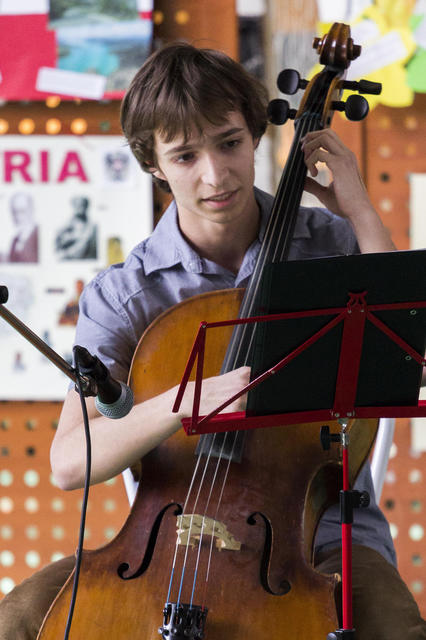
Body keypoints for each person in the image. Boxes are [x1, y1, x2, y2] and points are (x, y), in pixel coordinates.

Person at [1, 43, 425, 640]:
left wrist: (359, 210)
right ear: (153, 163)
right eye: (185, 155)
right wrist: (184, 401)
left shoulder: (329, 244)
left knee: (394, 629)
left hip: (317, 540)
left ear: (256, 135)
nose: (216, 175)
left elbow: (409, 357)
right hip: (169, 541)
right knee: (15, 623)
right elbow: (70, 463)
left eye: (229, 143)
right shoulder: (125, 294)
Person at [55, 196, 97, 260]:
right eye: (77, 205)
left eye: (82, 205)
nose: (80, 208)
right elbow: (59, 243)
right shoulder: (66, 224)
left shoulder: (92, 226)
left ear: (86, 207)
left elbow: (86, 243)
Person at [4, 192, 39, 263]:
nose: (18, 217)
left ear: (31, 210)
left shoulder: (38, 236)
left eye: (22, 211)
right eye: (14, 212)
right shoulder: (15, 240)